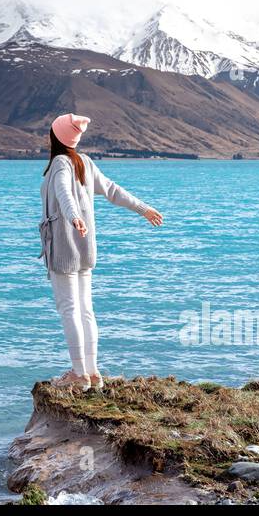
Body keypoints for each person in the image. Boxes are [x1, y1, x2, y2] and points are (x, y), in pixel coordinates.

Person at [40, 113, 163, 391]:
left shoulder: (61, 163)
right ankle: (93, 373)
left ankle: (79, 375)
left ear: (55, 137)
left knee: (69, 309)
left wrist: (73, 218)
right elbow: (112, 190)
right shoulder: (84, 161)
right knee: (85, 309)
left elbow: (63, 194)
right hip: (85, 249)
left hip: (65, 247)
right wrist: (143, 208)